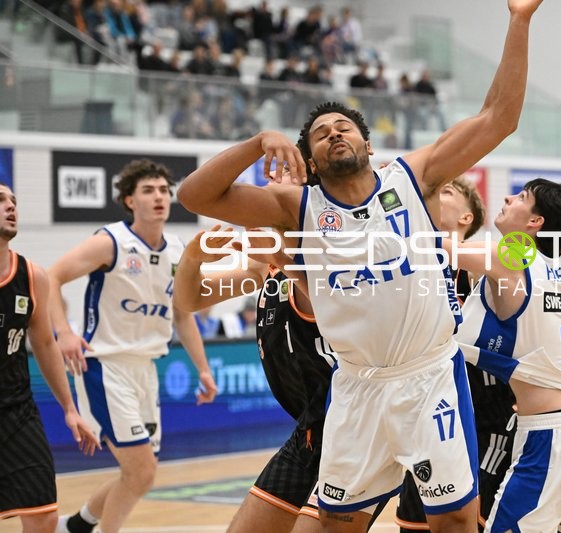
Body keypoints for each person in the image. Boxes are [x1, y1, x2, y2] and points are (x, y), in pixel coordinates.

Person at [177, 1, 544, 529]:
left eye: (343, 126)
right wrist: (258, 143)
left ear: (366, 143)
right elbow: (195, 195)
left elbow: (499, 118)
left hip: (429, 377)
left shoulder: (412, 177)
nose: (334, 133)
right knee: (334, 526)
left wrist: (519, 20)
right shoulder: (295, 208)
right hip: (356, 387)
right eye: (321, 132)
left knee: (457, 522)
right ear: (308, 159)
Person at [173, 222, 386, 533]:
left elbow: (327, 294)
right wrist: (193, 259)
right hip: (311, 431)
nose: (271, 177)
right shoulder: (265, 265)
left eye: (283, 172)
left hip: (360, 428)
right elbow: (189, 300)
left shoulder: (333, 250)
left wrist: (278, 253)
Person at [49, 159, 218, 533]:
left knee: (138, 474)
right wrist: (62, 332)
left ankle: (75, 526)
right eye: (148, 190)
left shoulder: (178, 250)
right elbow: (52, 276)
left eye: (163, 190)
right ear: (129, 200)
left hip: (145, 369)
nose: (159, 197)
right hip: (106, 366)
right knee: (141, 471)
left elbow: (183, 313)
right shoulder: (111, 242)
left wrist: (203, 368)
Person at [452, 179, 561, 532]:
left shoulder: (512, 258)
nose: (507, 197)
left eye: (521, 197)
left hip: (550, 434)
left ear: (536, 223)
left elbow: (431, 250)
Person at [396, 177, 517, 533]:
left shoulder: (486, 265)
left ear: (466, 218)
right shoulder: (411, 265)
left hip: (486, 421)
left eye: (446, 191)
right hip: (426, 421)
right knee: (414, 527)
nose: (435, 192)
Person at [0, 184, 100, 531]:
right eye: (0, 200)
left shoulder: (32, 276)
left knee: (42, 514)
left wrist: (70, 409)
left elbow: (44, 344)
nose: (11, 206)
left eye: (14, 200)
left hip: (17, 411)